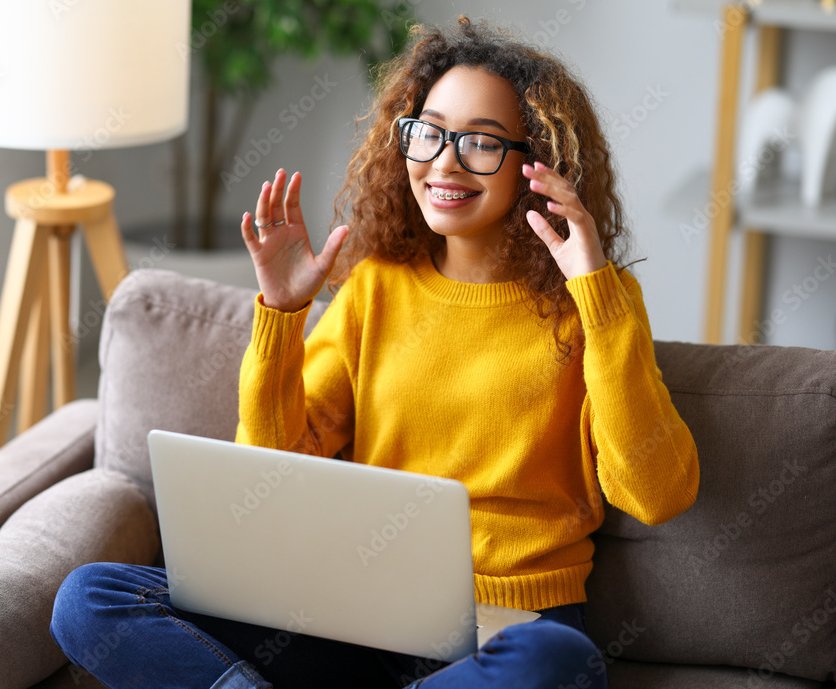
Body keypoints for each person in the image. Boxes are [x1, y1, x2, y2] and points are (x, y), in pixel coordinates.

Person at [50, 16, 699, 689]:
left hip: (506, 630)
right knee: (91, 598)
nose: (444, 162)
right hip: (356, 610)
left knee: (561, 663)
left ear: (537, 160)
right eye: (429, 132)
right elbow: (274, 468)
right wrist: (281, 315)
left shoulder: (599, 300)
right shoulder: (375, 286)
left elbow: (656, 492)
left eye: (478, 142)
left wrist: (594, 292)